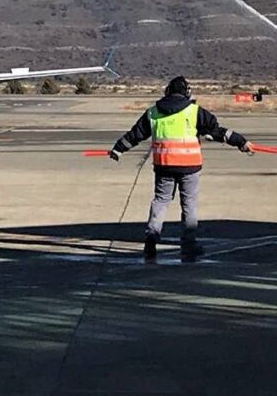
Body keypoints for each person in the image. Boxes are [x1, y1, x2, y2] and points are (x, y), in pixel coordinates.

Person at [109, 76, 254, 262]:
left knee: (161, 200)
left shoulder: (153, 112)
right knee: (189, 204)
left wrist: (118, 149)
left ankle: (151, 237)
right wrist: (241, 142)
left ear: (167, 91)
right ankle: (189, 244)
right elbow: (217, 131)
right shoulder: (194, 111)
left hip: (164, 165)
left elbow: (135, 134)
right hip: (189, 166)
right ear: (187, 92)